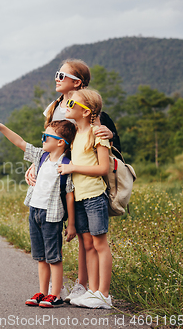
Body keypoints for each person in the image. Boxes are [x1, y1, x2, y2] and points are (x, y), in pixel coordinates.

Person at [26, 59, 121, 302]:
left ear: (77, 82)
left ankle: (85, 286)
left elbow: (103, 138)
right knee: (80, 233)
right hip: (61, 179)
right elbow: (49, 143)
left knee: (87, 238)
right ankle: (84, 288)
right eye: (56, 74)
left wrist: (108, 134)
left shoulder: (87, 107)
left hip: (82, 178)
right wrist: (34, 165)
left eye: (61, 74)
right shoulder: (55, 108)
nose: (56, 78)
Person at [0, 117, 77, 308]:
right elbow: (20, 142)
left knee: (54, 257)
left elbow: (69, 195)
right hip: (34, 211)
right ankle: (42, 292)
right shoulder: (40, 156)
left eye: (46, 137)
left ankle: (55, 295)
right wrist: (1, 127)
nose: (42, 140)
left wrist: (72, 224)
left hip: (52, 216)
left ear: (60, 142)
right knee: (40, 257)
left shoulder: (65, 164)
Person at [57, 88, 113, 309]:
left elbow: (103, 168)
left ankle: (104, 295)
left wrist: (73, 167)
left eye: (72, 104)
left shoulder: (96, 133)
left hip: (94, 195)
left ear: (85, 111)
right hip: (79, 197)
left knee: (100, 244)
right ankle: (92, 290)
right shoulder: (77, 134)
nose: (67, 106)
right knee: (87, 244)